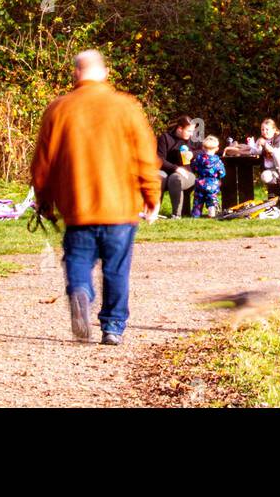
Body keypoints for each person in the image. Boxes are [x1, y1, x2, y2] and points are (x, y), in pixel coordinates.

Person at [30, 50, 161, 346]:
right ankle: (113, 326)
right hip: (120, 207)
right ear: (105, 73)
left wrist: (44, 201)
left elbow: (43, 164)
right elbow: (144, 158)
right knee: (116, 268)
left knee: (77, 260)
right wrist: (151, 196)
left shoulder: (58, 109)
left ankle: (80, 292)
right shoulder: (126, 107)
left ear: (76, 73)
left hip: (78, 206)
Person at [156, 115, 199, 218]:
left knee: (175, 178)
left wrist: (193, 154)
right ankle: (153, 212)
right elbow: (159, 159)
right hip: (167, 172)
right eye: (189, 131)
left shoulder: (193, 140)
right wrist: (176, 168)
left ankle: (176, 215)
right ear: (180, 129)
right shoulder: (165, 138)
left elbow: (204, 150)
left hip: (187, 175)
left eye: (192, 131)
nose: (191, 133)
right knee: (158, 176)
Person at [190, 136, 226, 218]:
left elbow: (193, 167)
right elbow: (222, 172)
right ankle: (212, 213)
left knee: (198, 200)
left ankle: (196, 214)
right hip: (212, 183)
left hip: (200, 182)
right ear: (217, 148)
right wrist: (220, 178)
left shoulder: (198, 158)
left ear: (203, 147)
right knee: (211, 199)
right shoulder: (217, 160)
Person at [256, 118, 280, 192]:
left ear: (274, 130)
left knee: (276, 153)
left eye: (267, 129)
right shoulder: (261, 139)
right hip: (270, 170)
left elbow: (278, 153)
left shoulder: (279, 140)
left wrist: (265, 144)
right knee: (264, 176)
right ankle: (278, 183)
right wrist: (258, 146)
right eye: (262, 129)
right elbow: (256, 151)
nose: (264, 132)